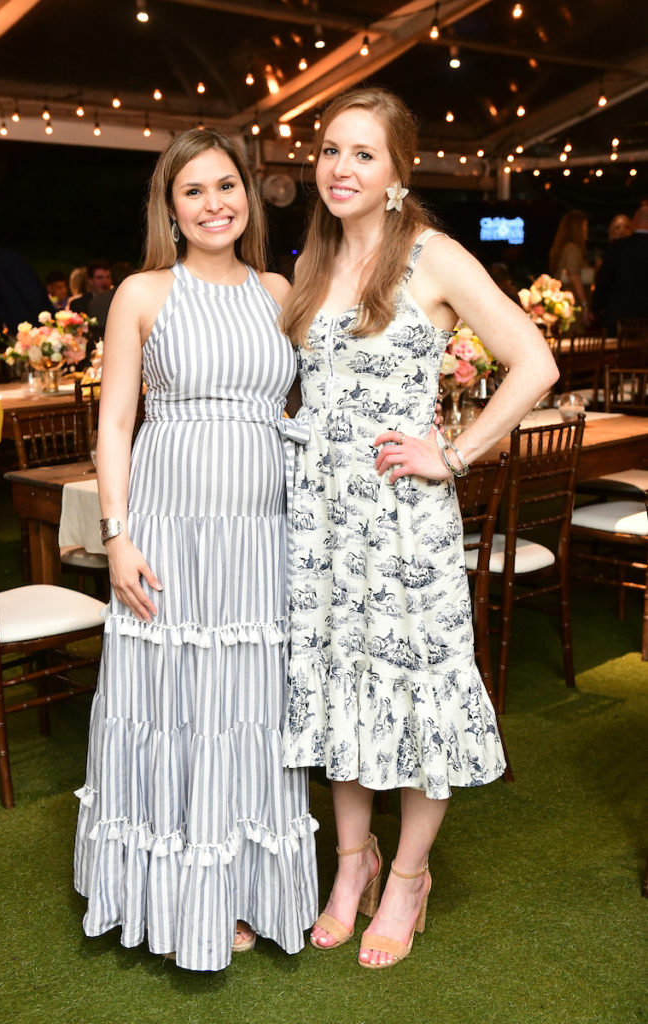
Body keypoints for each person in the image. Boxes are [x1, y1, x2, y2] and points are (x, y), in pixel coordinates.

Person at [279, 87, 558, 969]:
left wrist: (456, 453)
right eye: (330, 150)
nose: (340, 168)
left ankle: (406, 876)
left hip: (401, 520)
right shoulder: (313, 262)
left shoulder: (432, 255)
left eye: (363, 153)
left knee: (417, 685)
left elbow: (534, 362)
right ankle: (350, 865)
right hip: (321, 523)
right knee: (339, 685)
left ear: (398, 171)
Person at [73, 128, 318, 972]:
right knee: (174, 705)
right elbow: (114, 422)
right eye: (193, 191)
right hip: (169, 529)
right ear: (169, 209)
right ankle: (174, 896)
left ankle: (245, 889)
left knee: (246, 706)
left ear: (248, 195)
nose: (214, 203)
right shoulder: (142, 292)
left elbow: (312, 402)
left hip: (260, 536)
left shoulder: (279, 290)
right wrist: (116, 536)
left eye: (226, 186)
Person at [592, 205, 648, 333]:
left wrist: (595, 308)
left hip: (619, 318)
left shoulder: (617, 247)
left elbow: (604, 281)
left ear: (634, 222)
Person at [548, 209, 593, 326]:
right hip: (573, 307)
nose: (587, 230)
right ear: (577, 228)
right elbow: (574, 276)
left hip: (568, 305)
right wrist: (585, 304)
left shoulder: (566, 248)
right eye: (585, 226)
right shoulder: (572, 249)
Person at [69, 259, 114, 331]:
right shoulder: (78, 304)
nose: (105, 281)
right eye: (100, 278)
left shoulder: (117, 302)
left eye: (108, 277)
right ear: (90, 281)